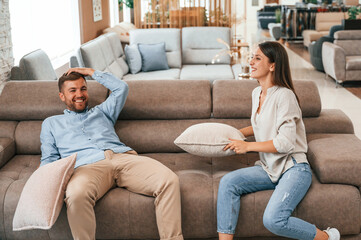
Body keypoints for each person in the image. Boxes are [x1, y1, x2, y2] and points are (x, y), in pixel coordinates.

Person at [40, 67, 183, 240]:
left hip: (122, 157)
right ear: (62, 96)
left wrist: (91, 72)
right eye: (73, 90)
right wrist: (45, 186)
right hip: (86, 168)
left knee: (169, 181)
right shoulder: (51, 123)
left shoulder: (102, 112)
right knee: (76, 195)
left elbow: (121, 88)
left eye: (83, 88)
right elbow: (49, 160)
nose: (79, 94)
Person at [217, 42, 340, 240]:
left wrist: (247, 146)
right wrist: (237, 133)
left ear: (272, 65)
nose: (251, 62)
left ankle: (328, 237)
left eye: (258, 58)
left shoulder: (285, 96)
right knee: (228, 183)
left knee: (273, 220)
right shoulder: (256, 93)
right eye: (252, 57)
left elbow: (285, 143)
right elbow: (261, 127)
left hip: (293, 168)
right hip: (269, 167)